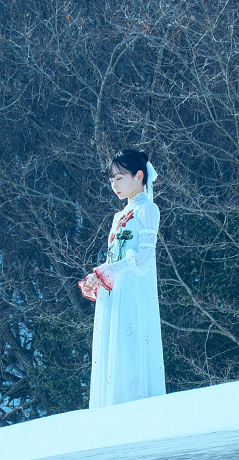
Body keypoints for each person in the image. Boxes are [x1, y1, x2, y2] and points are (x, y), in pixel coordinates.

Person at [78, 149, 166, 408]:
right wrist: (97, 276)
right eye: (111, 180)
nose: (114, 185)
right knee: (114, 350)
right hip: (114, 292)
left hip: (133, 291)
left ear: (139, 176)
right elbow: (113, 255)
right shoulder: (119, 216)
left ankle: (135, 410)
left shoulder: (148, 209)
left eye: (119, 178)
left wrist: (111, 270)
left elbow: (145, 257)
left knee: (131, 347)